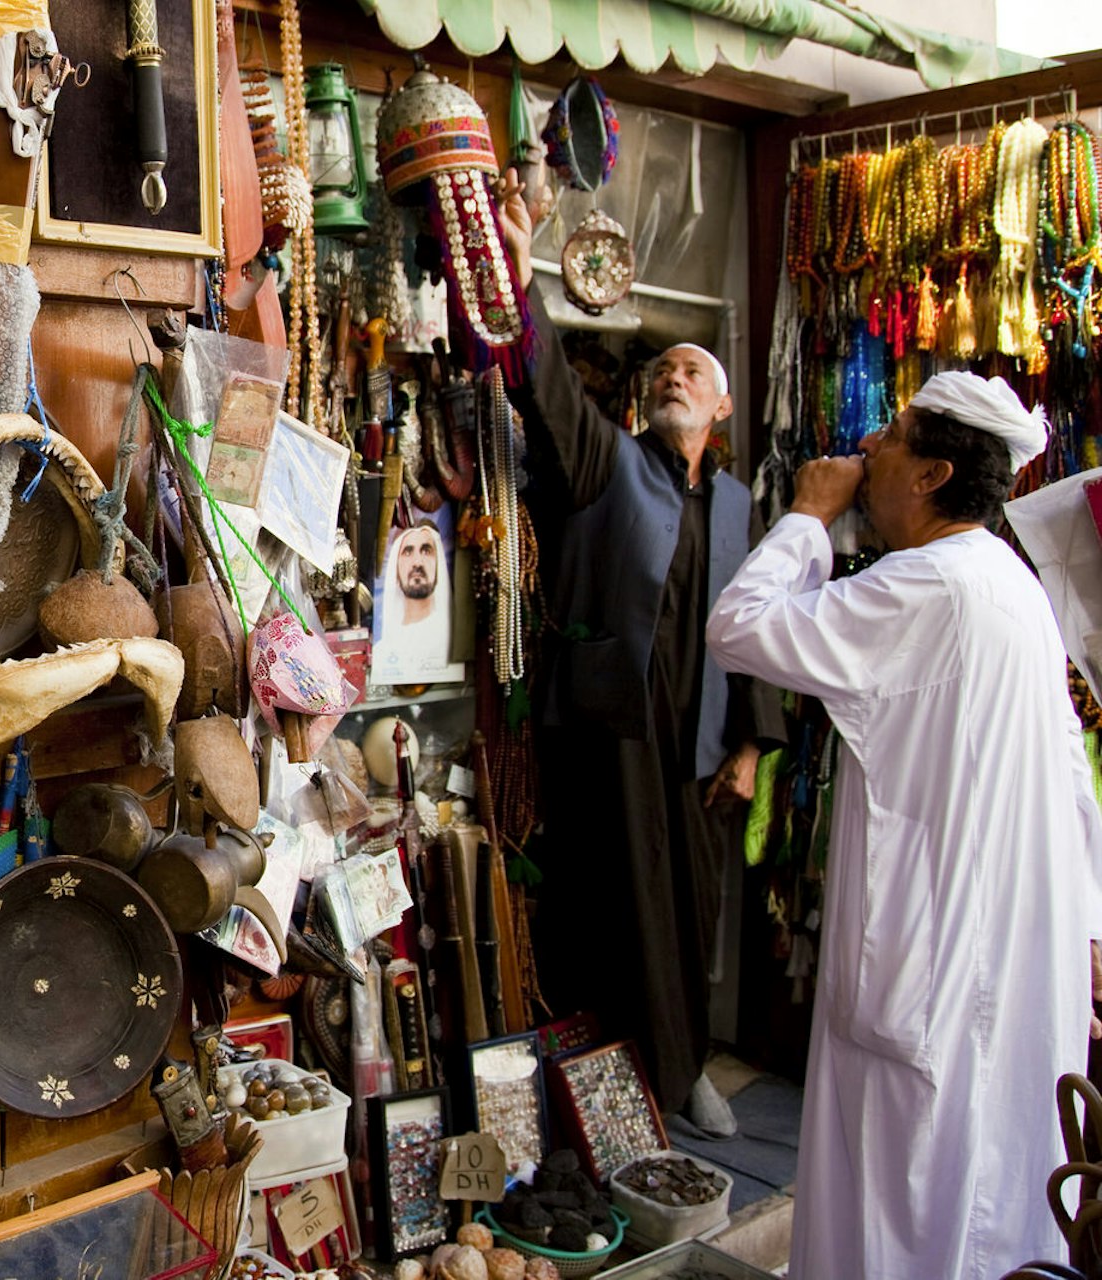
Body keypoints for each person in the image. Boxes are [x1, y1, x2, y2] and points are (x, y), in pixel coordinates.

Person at [705, 371, 1102, 1278]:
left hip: (934, 982)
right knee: (978, 1210)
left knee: (904, 1220)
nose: (867, 452)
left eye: (888, 437)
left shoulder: (929, 583)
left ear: (929, 475)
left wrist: (807, 514)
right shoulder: (1009, 586)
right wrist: (1086, 925)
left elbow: (739, 627)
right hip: (1000, 970)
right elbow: (1074, 784)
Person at [495, 169, 783, 1137]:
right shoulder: (606, 462)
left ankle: (686, 1063)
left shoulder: (743, 508)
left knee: (693, 913)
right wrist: (520, 247)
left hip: (698, 745)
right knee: (608, 908)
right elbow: (541, 387)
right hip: (610, 728)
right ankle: (616, 1092)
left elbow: (764, 628)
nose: (673, 378)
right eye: (662, 371)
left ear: (724, 408)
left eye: (693, 372)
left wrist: (752, 745)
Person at [373, 521, 451, 680]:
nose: (417, 562)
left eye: (426, 551)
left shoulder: (450, 646)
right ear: (396, 565)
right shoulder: (382, 651)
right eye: (408, 552)